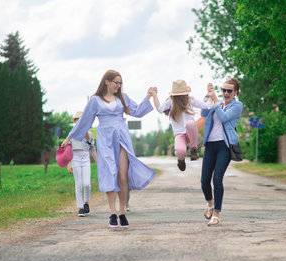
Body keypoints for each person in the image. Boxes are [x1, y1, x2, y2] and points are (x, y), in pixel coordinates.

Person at [62, 70, 156, 228]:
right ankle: (112, 213)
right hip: (105, 139)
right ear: (107, 82)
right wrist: (68, 139)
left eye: (120, 83)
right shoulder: (95, 101)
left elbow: (137, 111)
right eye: (116, 83)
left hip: (122, 138)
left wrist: (148, 96)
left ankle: (122, 213)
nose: (118, 86)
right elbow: (83, 121)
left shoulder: (122, 98)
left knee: (122, 176)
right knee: (110, 173)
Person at [200, 78, 243, 226]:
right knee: (204, 181)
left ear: (236, 92)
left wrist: (216, 100)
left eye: (229, 91)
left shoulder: (237, 106)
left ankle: (216, 214)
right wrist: (208, 95)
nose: (225, 93)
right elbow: (203, 112)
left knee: (217, 179)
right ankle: (210, 203)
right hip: (210, 145)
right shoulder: (216, 104)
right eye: (223, 90)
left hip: (224, 147)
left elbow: (224, 118)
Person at [151, 79, 215, 171]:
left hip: (191, 132)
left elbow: (207, 105)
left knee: (190, 123)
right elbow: (160, 109)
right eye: (178, 96)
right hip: (179, 134)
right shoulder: (170, 101)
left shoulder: (190, 99)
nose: (181, 98)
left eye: (182, 95)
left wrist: (210, 94)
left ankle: (194, 149)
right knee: (181, 151)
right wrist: (154, 95)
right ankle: (181, 160)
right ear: (174, 95)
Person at [66, 111, 98, 217]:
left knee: (87, 183)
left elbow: (92, 149)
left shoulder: (89, 134)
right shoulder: (71, 134)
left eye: (81, 119)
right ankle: (80, 207)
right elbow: (68, 150)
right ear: (75, 121)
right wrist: (68, 164)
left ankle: (86, 203)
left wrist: (98, 162)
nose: (79, 121)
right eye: (77, 119)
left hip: (86, 159)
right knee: (78, 184)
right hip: (75, 158)